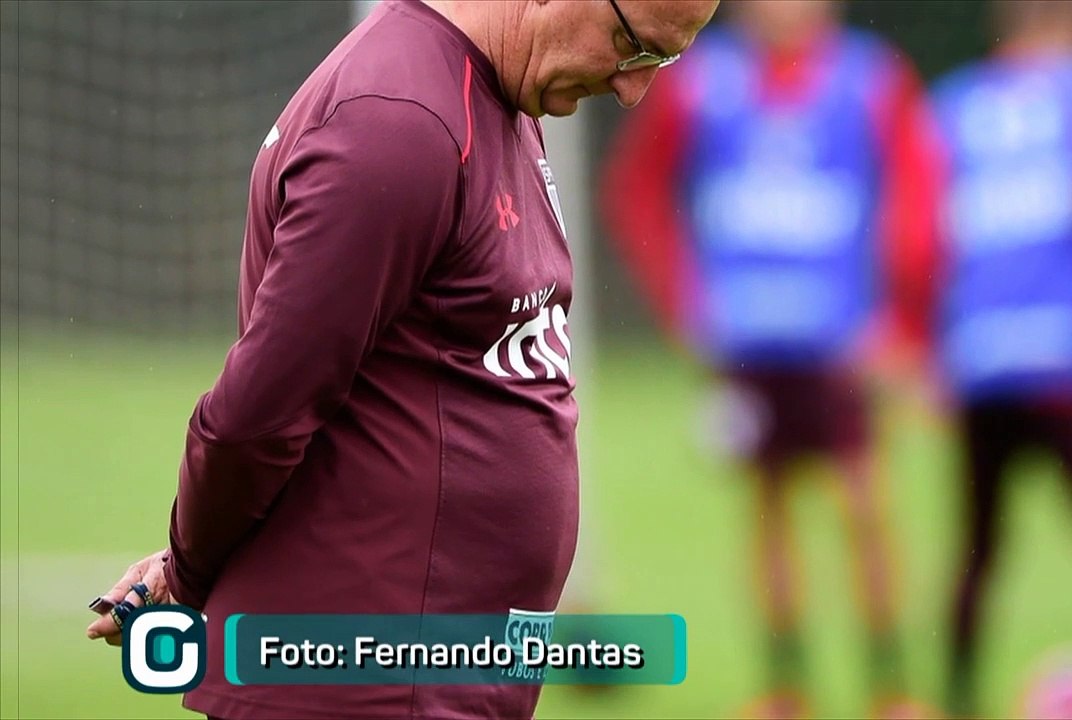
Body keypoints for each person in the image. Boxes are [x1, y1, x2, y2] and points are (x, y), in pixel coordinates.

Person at [84, 0, 719, 718]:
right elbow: (256, 415)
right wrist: (190, 574)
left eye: (661, 61)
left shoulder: (497, 95)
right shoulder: (399, 122)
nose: (634, 90)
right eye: (631, 46)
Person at [599, 1, 926, 716]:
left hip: (842, 344)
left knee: (865, 506)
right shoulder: (700, 80)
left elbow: (917, 196)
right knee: (771, 512)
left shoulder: (870, 79)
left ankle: (891, 689)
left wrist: (900, 319)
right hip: (747, 345)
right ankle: (786, 689)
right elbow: (634, 191)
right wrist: (683, 302)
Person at [894, 1, 1072, 715]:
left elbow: (916, 243)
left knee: (977, 554)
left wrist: (922, 346)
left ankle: (959, 700)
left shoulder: (950, 110)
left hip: (981, 365)